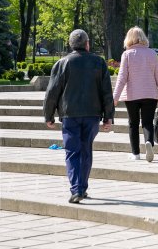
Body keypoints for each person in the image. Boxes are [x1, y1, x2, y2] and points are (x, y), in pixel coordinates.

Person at [43, 29, 114, 204]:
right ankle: (81, 187)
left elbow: (52, 92)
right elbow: (106, 92)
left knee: (72, 152)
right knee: (86, 150)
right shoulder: (99, 62)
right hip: (92, 114)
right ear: (87, 44)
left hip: (70, 115)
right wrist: (108, 116)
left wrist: (48, 115)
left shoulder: (62, 63)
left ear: (70, 44)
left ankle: (77, 189)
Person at [113, 27, 158, 162]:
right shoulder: (152, 54)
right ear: (143, 38)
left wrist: (115, 97)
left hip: (132, 95)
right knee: (147, 122)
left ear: (129, 39)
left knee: (133, 123)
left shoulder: (127, 55)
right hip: (150, 94)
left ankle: (135, 153)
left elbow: (122, 77)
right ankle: (149, 142)